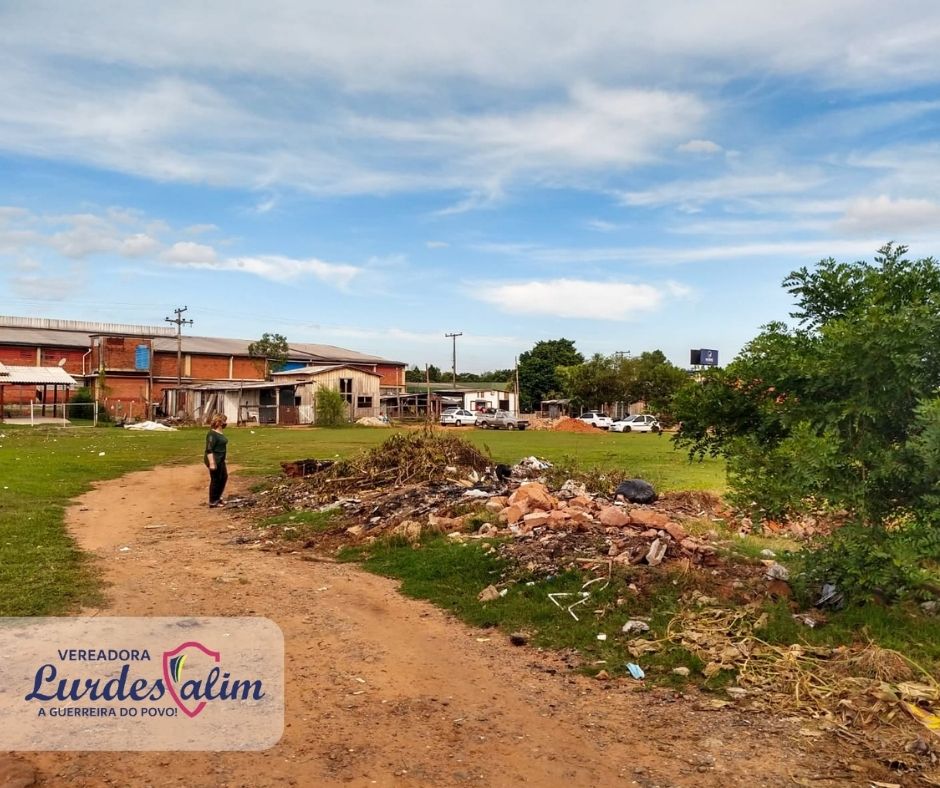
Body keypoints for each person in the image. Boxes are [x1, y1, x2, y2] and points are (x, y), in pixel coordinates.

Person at [204, 413, 229, 507]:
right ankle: (213, 501)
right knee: (216, 479)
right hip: (214, 460)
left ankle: (218, 497)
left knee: (223, 478)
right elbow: (209, 449)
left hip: (221, 460)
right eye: (224, 421)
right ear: (218, 422)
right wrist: (212, 463)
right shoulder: (212, 434)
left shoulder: (220, 432)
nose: (225, 423)